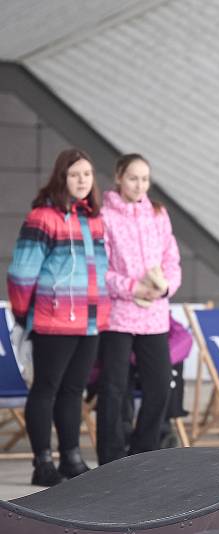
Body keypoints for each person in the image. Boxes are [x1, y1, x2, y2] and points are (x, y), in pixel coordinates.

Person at [7, 148, 110, 486]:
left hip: (90, 321)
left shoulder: (94, 218)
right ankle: (42, 462)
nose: (82, 180)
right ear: (61, 177)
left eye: (87, 174)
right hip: (54, 320)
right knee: (46, 389)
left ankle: (71, 457)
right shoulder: (43, 217)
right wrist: (26, 314)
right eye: (75, 174)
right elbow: (21, 274)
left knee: (74, 391)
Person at [96, 154, 181, 464]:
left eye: (145, 179)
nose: (140, 184)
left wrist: (166, 286)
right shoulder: (104, 216)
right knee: (113, 390)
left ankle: (141, 456)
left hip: (154, 314)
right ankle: (110, 459)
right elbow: (101, 270)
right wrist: (134, 289)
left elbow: (172, 259)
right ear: (119, 176)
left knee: (160, 386)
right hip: (118, 315)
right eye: (133, 178)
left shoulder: (158, 214)